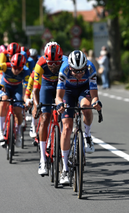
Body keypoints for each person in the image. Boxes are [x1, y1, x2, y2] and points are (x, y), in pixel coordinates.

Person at [55, 50, 102, 184]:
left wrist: (96, 102)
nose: (79, 73)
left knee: (87, 107)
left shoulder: (90, 67)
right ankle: (64, 169)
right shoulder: (63, 69)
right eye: (75, 71)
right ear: (70, 67)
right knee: (67, 128)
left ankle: (87, 135)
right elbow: (58, 96)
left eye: (81, 70)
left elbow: (94, 95)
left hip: (84, 89)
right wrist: (59, 105)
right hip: (68, 92)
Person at [31, 41, 67, 176]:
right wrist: (36, 106)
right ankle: (42, 160)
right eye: (50, 63)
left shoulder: (65, 62)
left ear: (61, 60)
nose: (53, 66)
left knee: (65, 119)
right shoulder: (40, 63)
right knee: (45, 118)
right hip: (46, 86)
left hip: (61, 85)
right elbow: (35, 90)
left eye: (56, 63)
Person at [0, 53, 30, 148]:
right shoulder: (6, 66)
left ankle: (18, 134)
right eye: (15, 67)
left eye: (19, 68)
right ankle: (0, 130)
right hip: (5, 86)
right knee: (4, 100)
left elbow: (26, 88)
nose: (16, 70)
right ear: (11, 64)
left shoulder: (26, 71)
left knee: (18, 110)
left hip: (18, 88)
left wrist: (26, 100)